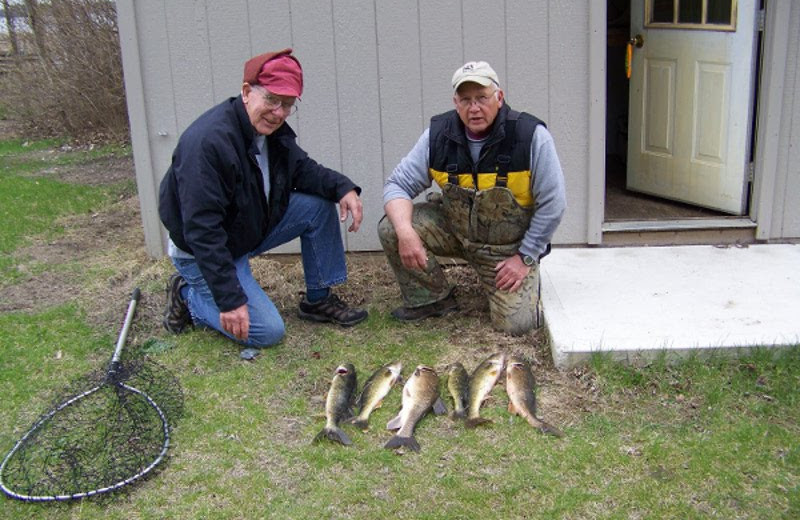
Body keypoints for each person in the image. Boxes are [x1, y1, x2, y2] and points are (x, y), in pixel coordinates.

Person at [159, 48, 368, 349]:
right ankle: (187, 295)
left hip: (246, 227)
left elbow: (302, 170)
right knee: (266, 331)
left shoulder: (271, 131)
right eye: (271, 99)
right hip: (205, 250)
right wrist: (229, 300)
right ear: (246, 92)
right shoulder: (208, 144)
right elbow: (202, 230)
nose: (279, 112)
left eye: (287, 104)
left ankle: (318, 300)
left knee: (318, 208)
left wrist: (343, 188)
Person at [378, 61, 566, 335]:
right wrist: (406, 232)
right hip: (458, 233)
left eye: (482, 98)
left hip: (507, 250)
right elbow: (397, 185)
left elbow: (554, 203)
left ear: (499, 98)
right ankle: (431, 299)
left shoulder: (531, 136)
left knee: (515, 326)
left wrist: (525, 257)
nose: (474, 108)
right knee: (391, 227)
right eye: (465, 100)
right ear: (456, 103)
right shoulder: (438, 135)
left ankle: (521, 280)